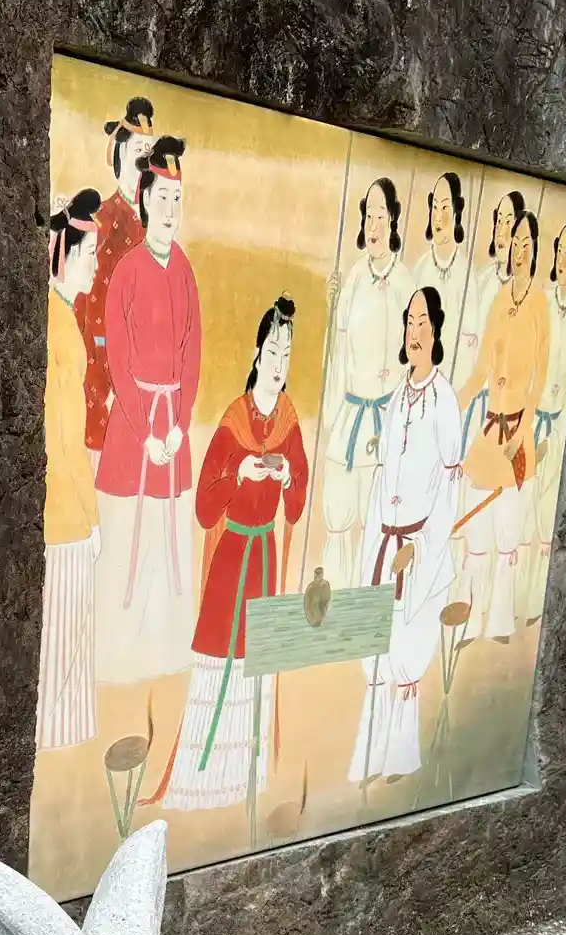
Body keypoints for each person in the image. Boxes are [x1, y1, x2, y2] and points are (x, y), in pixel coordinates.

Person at [147, 296, 309, 811]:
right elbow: (203, 507)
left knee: (254, 664)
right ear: (257, 354)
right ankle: (200, 780)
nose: (279, 364)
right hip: (232, 555)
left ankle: (246, 778)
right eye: (273, 351)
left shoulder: (289, 421)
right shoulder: (233, 420)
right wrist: (238, 473)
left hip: (264, 559)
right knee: (219, 660)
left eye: (287, 355)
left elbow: (298, 501)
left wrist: (288, 477)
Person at [93, 136, 202, 686]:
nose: (170, 210)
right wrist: (146, 432)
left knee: (167, 544)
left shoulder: (184, 270)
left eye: (177, 199)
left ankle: (165, 654)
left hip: (173, 432)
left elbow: (193, 351)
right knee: (124, 547)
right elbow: (118, 356)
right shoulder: (128, 271)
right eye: (162, 198)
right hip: (133, 430)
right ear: (144, 199)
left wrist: (180, 425)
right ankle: (117, 660)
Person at [349, 287, 463, 785]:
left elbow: (450, 486)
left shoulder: (444, 400)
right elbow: (383, 476)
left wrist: (420, 547)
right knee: (377, 650)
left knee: (407, 651)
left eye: (422, 323)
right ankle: (369, 755)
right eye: (409, 322)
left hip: (420, 550)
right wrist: (374, 541)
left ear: (436, 330)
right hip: (384, 542)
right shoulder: (398, 397)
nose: (414, 332)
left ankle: (398, 759)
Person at [456, 210, 551, 640]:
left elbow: (539, 381)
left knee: (507, 533)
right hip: (490, 428)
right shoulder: (497, 300)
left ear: (535, 250)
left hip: (518, 434)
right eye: (515, 242)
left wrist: (524, 432)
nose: (519, 250)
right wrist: (451, 404)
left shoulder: (539, 305)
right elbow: (480, 371)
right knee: (476, 529)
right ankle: (471, 619)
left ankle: (498, 623)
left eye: (527, 243)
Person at [319, 177, 413, 592]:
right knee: (338, 516)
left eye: (380, 215)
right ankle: (333, 600)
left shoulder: (406, 284)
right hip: (351, 418)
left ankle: (367, 604)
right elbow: (338, 350)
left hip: (386, 420)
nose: (372, 225)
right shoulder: (354, 278)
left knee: (377, 524)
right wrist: (332, 306)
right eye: (367, 216)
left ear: (392, 220)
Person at [36, 189, 103, 749]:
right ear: (64, 253)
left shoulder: (59, 319)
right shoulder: (59, 328)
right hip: (64, 519)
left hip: (59, 510)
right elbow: (65, 441)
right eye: (90, 255)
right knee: (63, 637)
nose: (96, 266)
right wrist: (91, 516)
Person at [74, 96, 153, 458]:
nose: (144, 164)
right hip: (103, 349)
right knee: (102, 436)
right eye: (138, 153)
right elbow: (80, 290)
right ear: (120, 156)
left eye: (149, 155)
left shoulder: (158, 230)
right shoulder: (101, 218)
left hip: (145, 359)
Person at [521, 220, 566, 623]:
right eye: (558, 250)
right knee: (523, 507)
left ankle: (536, 603)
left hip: (561, 423)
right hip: (533, 417)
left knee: (548, 513)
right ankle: (515, 602)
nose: (562, 258)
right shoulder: (541, 302)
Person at [460, 190, 525, 449]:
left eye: (508, 223)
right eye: (499, 222)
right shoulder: (482, 280)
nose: (501, 231)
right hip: (474, 399)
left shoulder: (524, 292)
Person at [419, 172, 469, 379]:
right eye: (435, 207)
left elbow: (469, 343)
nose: (438, 217)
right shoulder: (421, 269)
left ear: (456, 210)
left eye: (445, 207)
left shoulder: (466, 274)